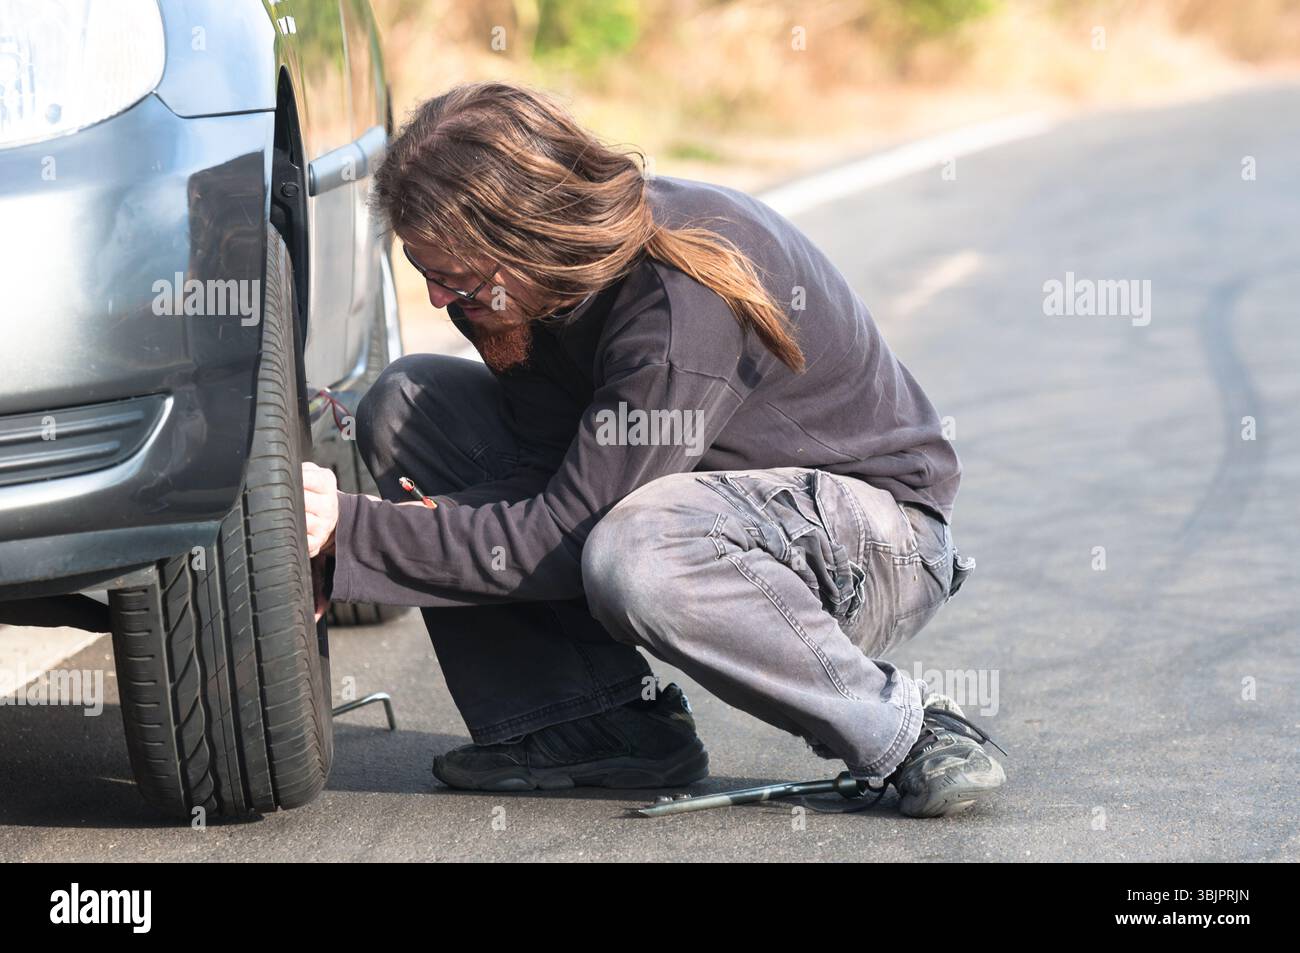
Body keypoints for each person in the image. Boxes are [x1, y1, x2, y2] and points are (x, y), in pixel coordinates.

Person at [301, 82, 1004, 817]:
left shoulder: (676, 304)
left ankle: (906, 731)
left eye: (454, 279)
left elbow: (562, 533)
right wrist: (370, 544)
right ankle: (592, 724)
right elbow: (545, 487)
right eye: (425, 275)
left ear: (525, 235)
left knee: (632, 551)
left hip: (875, 541)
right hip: (704, 505)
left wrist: (356, 531)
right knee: (410, 403)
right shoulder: (527, 291)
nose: (440, 301)